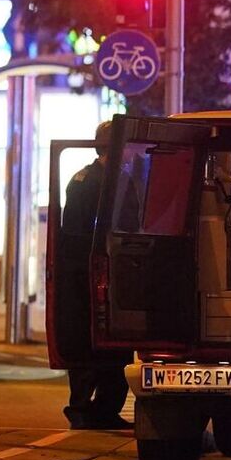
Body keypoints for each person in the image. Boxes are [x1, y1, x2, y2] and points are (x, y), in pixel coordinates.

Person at [54, 121, 131, 429]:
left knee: (111, 342)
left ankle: (102, 409)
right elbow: (76, 234)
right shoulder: (92, 182)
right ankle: (85, 409)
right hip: (88, 273)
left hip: (103, 271)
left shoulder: (103, 179)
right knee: (88, 339)